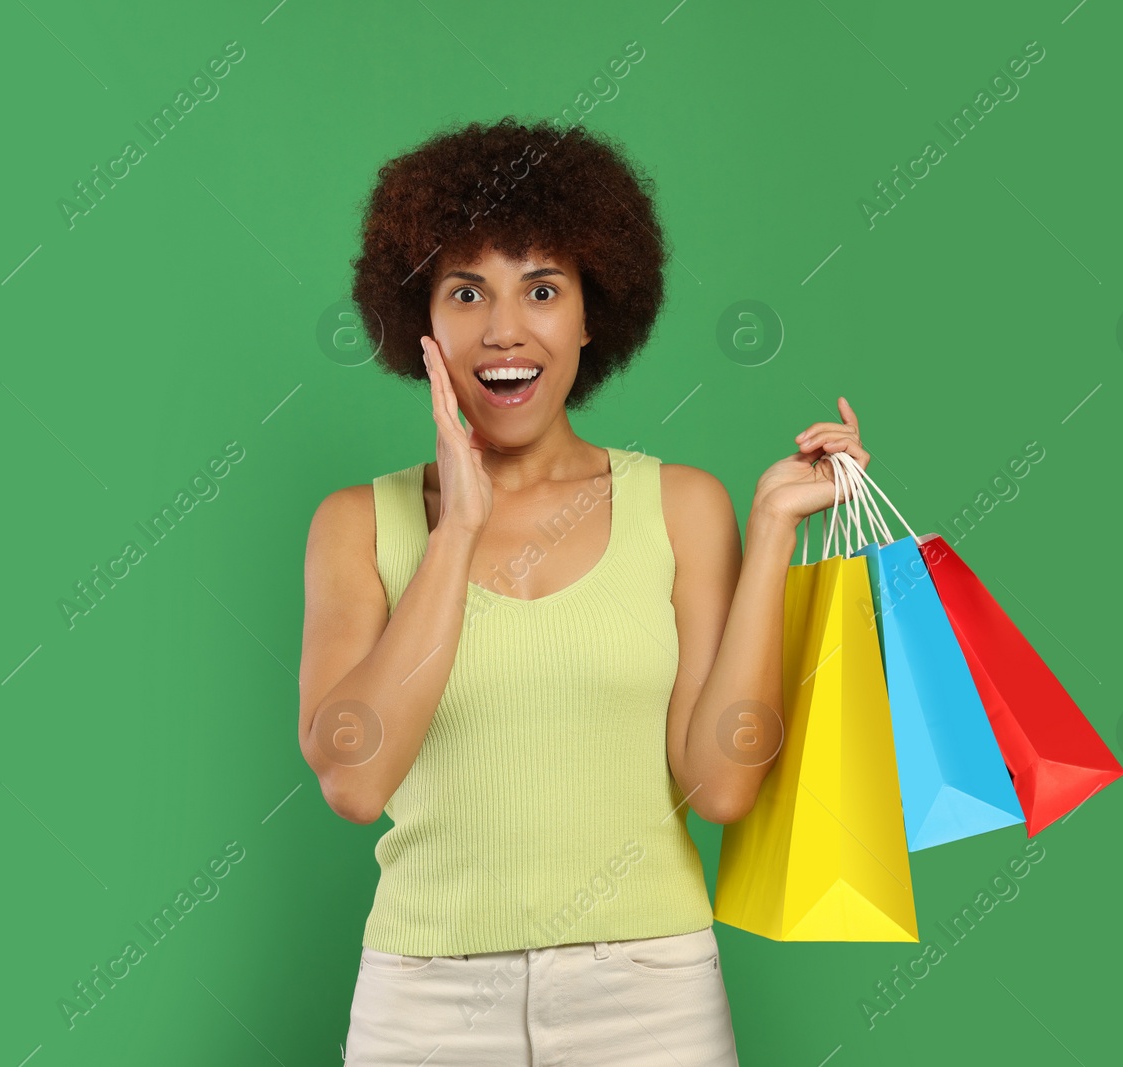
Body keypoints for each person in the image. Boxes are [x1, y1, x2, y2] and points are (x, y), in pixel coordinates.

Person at [299, 116, 869, 1065]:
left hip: (651, 998)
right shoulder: (356, 524)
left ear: (592, 312)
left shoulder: (682, 507)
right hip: (425, 1002)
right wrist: (459, 534)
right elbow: (353, 778)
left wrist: (770, 530)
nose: (506, 329)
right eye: (467, 290)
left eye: (543, 289)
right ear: (424, 323)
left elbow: (723, 783)